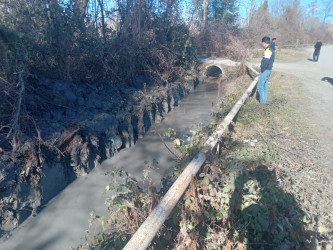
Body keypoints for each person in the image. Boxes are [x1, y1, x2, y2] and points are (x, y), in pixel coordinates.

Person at [257, 36, 275, 103]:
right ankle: (264, 101)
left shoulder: (268, 50)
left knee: (260, 87)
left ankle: (262, 102)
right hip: (269, 70)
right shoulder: (271, 48)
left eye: (262, 43)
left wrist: (262, 71)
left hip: (265, 70)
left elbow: (265, 61)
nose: (262, 45)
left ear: (264, 43)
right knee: (265, 86)